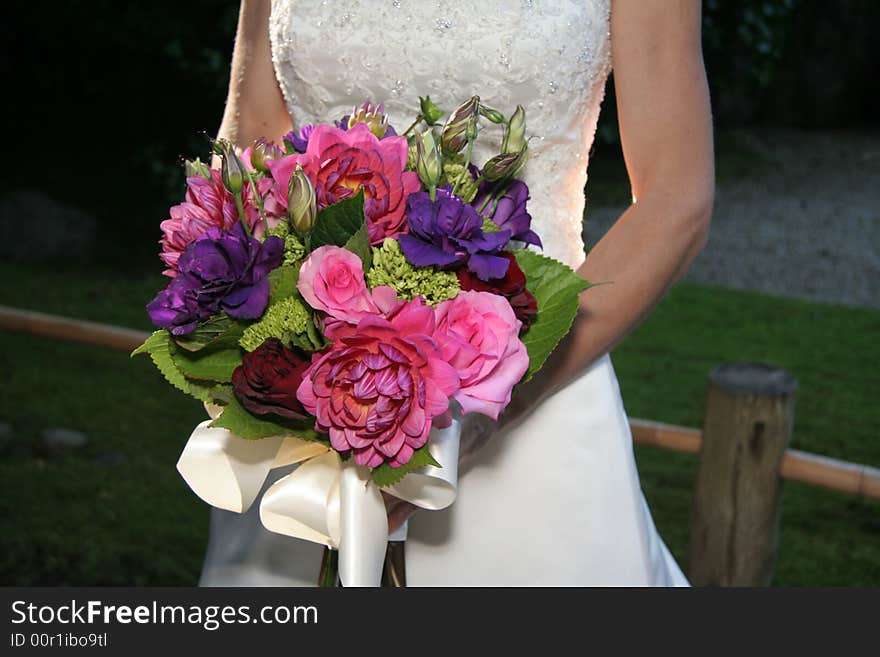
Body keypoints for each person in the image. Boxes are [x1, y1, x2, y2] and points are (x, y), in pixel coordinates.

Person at [199, 0, 714, 586]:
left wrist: (494, 409)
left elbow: (677, 199)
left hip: (535, 395)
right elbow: (253, 140)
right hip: (311, 403)